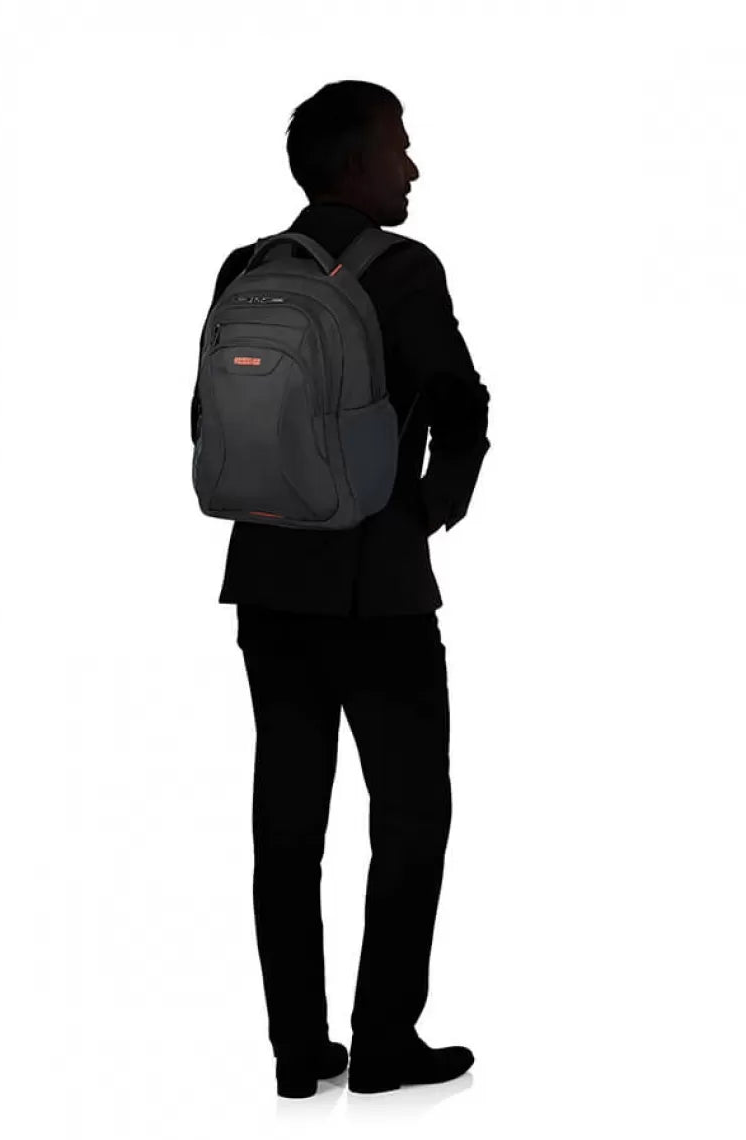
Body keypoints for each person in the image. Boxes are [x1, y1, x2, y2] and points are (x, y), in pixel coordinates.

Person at [191, 80, 491, 1098]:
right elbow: (460, 400)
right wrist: (430, 508)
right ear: (358, 165)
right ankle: (384, 1041)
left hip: (265, 581)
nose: (412, 168)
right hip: (378, 589)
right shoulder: (404, 269)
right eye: (399, 148)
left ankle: (295, 1049)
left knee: (286, 820)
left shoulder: (248, 267)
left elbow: (206, 418)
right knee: (409, 814)